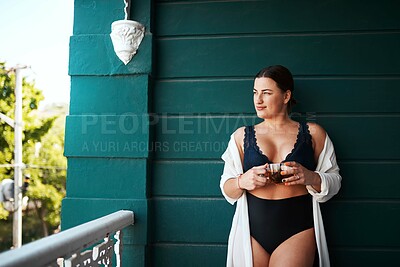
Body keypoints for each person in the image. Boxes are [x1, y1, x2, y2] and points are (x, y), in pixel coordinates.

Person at [220, 65, 341, 267]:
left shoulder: (313, 134)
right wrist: (242, 181)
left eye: (266, 93)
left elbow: (335, 181)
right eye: (255, 93)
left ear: (286, 96)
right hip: (251, 231)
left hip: (297, 230)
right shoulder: (241, 137)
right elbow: (227, 188)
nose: (257, 100)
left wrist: (310, 177)